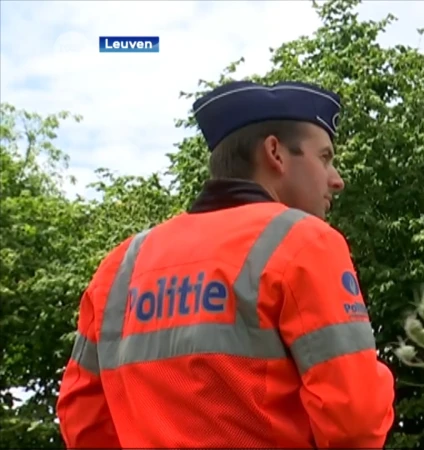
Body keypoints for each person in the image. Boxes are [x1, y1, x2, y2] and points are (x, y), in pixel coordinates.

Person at [56, 80, 396, 448]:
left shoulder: (120, 266)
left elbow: (82, 420)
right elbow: (355, 423)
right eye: (325, 157)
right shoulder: (305, 243)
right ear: (275, 153)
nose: (337, 180)